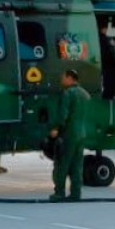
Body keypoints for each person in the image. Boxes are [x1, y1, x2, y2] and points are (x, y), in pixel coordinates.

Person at [48, 69, 91, 202]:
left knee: (62, 164)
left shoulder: (68, 93)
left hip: (69, 134)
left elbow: (63, 115)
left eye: (63, 77)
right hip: (82, 134)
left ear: (69, 78)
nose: (61, 80)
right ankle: (75, 193)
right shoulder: (85, 94)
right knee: (77, 165)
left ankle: (59, 193)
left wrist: (55, 128)